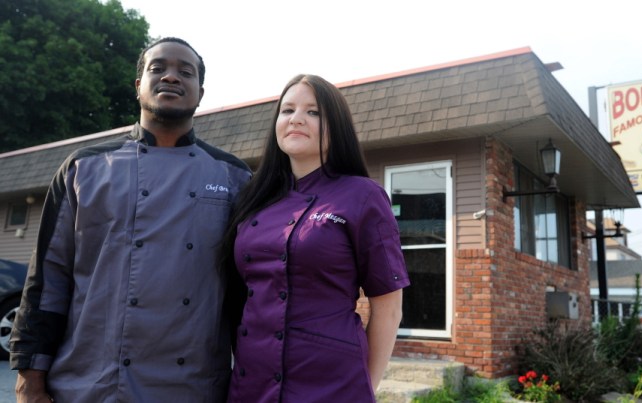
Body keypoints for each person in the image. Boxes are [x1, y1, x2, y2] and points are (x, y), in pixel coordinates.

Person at [10, 37, 251, 402]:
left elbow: (246, 293)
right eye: (158, 68)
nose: (171, 77)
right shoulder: (83, 168)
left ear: (200, 92)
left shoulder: (234, 176)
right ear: (138, 86)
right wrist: (30, 379)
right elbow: (48, 280)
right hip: (92, 383)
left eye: (185, 72)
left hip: (194, 386)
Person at [224, 74, 410, 402]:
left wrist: (364, 386)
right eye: (287, 110)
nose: (296, 119)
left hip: (331, 382)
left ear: (334, 126)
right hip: (251, 380)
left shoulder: (362, 196)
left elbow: (388, 309)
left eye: (313, 112)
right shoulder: (252, 199)